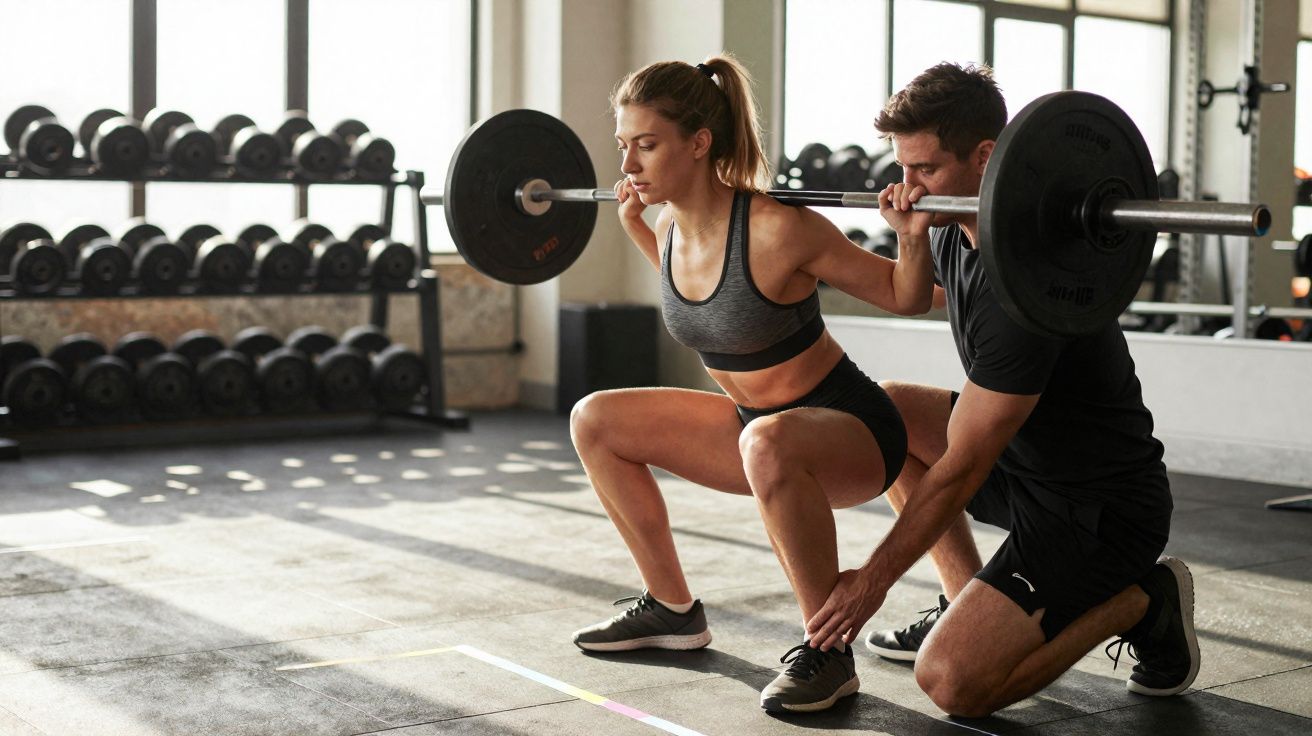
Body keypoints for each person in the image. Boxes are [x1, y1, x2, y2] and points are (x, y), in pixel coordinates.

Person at [804, 63, 1200, 718]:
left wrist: (869, 582)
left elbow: (960, 470)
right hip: (1028, 472)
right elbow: (918, 295)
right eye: (901, 169)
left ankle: (1144, 600)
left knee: (954, 684)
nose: (907, 188)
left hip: (1094, 514)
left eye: (924, 170)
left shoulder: (1027, 294)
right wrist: (890, 243)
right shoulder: (961, 231)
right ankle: (964, 600)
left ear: (986, 157)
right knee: (889, 413)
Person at [567, 54, 933, 713]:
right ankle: (672, 610)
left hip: (849, 430)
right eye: (624, 147)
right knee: (595, 417)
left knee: (769, 439)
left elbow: (904, 296)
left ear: (699, 143)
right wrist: (635, 230)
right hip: (754, 431)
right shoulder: (671, 227)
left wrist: (911, 235)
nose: (628, 167)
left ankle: (827, 652)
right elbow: (707, 304)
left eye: (646, 146)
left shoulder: (778, 229)